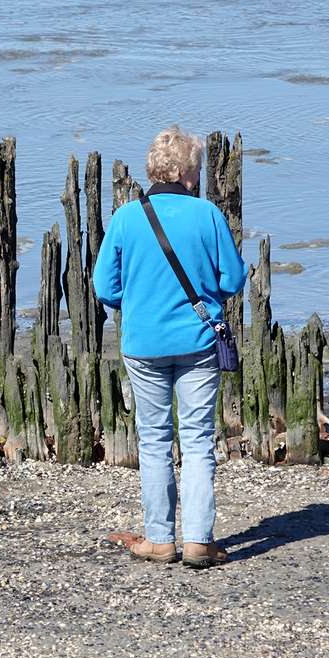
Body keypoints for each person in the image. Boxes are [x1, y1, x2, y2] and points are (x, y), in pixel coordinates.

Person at [93, 126, 247, 568]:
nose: (198, 176)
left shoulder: (125, 218)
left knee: (155, 438)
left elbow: (106, 286)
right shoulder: (208, 216)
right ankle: (199, 539)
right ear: (181, 171)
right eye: (196, 168)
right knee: (198, 441)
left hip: (143, 343)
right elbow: (232, 280)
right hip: (198, 341)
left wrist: (140, 302)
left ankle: (160, 539)